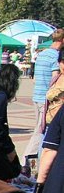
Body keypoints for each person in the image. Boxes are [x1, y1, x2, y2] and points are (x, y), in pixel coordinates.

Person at [26, 29, 64, 158]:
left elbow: (35, 78)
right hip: (47, 99)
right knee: (41, 132)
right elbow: (55, 79)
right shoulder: (55, 57)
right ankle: (27, 159)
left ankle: (34, 160)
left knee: (40, 129)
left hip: (37, 95)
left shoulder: (42, 54)